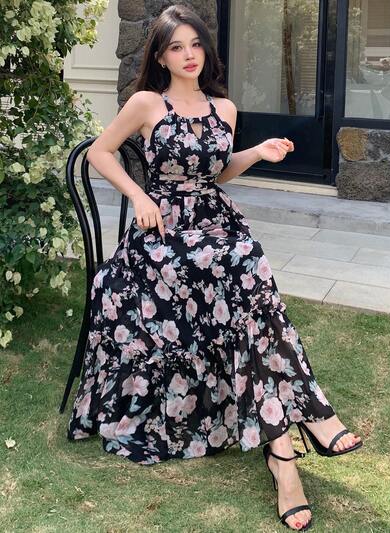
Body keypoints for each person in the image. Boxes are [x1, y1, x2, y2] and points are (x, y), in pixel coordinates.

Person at [66, 4, 362, 531]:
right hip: (163, 233)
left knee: (247, 268)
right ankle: (305, 429)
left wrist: (258, 151)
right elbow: (100, 153)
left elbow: (218, 173)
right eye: (176, 47)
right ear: (160, 56)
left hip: (214, 220)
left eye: (195, 44)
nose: (188, 55)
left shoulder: (223, 108)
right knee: (242, 276)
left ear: (206, 48)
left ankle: (282, 453)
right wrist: (138, 195)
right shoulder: (146, 102)